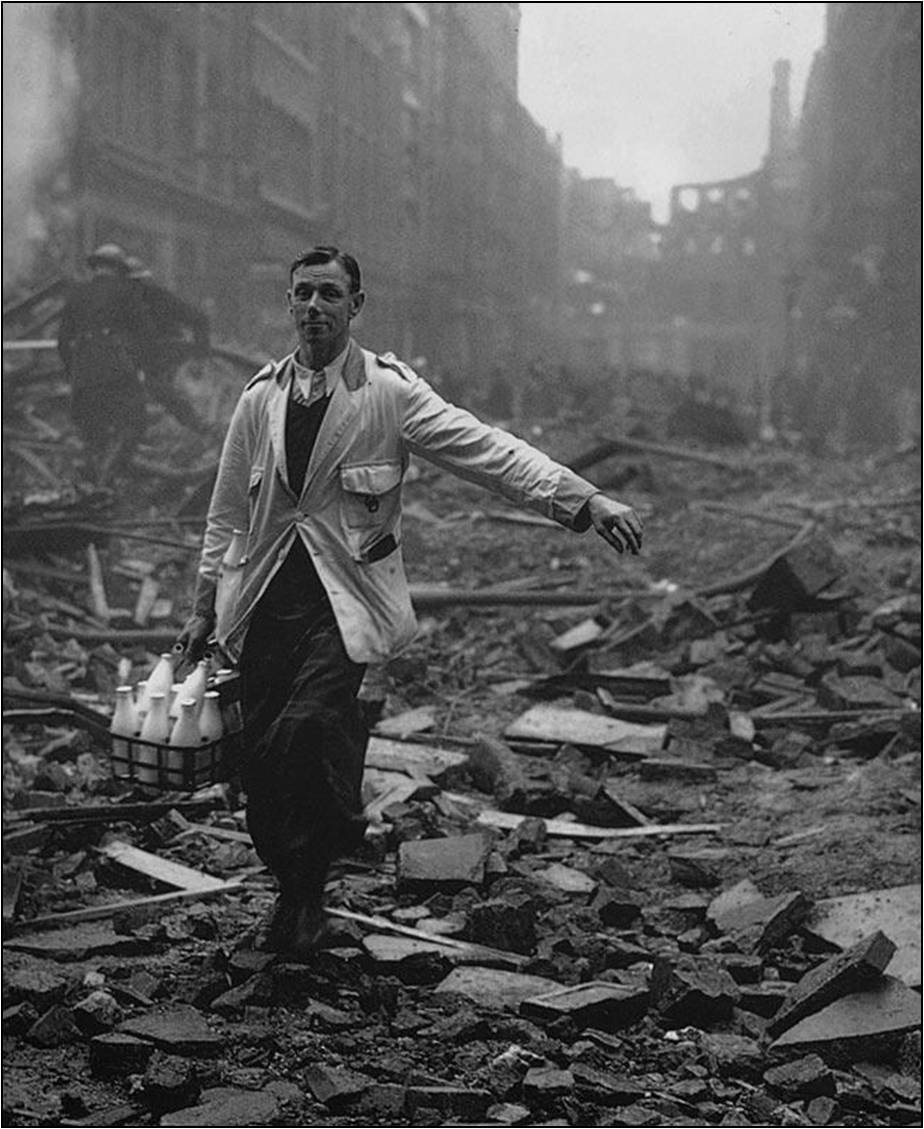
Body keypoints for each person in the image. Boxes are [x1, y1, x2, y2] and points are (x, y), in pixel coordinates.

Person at [176, 245, 643, 956]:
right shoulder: (259, 400)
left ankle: (308, 894)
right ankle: (295, 892)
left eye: (330, 295)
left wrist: (583, 498)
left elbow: (486, 450)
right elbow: (225, 515)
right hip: (264, 604)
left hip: (346, 608)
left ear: (355, 306)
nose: (314, 309)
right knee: (263, 767)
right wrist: (203, 605)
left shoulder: (387, 394)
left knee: (309, 735)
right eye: (303, 294)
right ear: (288, 302)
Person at [57, 243, 157, 482]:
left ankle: (92, 486)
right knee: (135, 421)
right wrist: (141, 366)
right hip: (116, 370)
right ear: (118, 268)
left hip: (83, 374)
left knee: (92, 434)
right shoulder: (126, 291)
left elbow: (62, 342)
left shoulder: (77, 293)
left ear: (96, 267)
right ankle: (108, 477)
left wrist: (74, 371)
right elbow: (147, 334)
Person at [124, 255, 213, 435]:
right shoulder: (120, 304)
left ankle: (196, 424)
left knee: (157, 387)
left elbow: (199, 319)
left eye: (136, 283)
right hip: (136, 354)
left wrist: (199, 357)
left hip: (164, 353)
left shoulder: (159, 298)